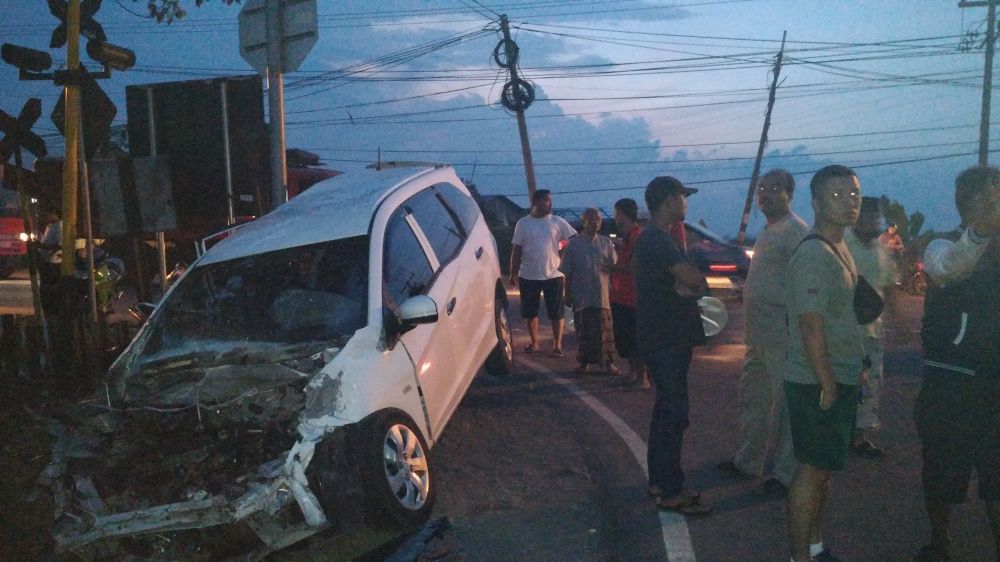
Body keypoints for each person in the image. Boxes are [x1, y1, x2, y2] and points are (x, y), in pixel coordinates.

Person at [912, 166, 1000, 562]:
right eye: (984, 196)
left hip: (995, 385)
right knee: (941, 473)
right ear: (963, 201)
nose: (991, 204)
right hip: (951, 383)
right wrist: (980, 232)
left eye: (995, 196)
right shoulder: (940, 244)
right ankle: (939, 543)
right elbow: (947, 268)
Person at [784, 165, 865, 562]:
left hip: (839, 372)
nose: (849, 202)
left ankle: (815, 546)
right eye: (837, 196)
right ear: (815, 203)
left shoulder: (839, 245)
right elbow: (810, 324)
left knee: (824, 470)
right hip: (816, 379)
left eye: (853, 194)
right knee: (812, 470)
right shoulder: (814, 252)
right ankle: (802, 556)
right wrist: (828, 382)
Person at [717, 169, 808, 496]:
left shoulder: (797, 232)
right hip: (758, 335)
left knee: (784, 408)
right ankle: (748, 461)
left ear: (789, 194)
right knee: (754, 400)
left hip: (783, 335)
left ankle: (786, 475)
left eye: (773, 189)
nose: (765, 195)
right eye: (761, 190)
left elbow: (804, 285)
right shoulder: (769, 230)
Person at [635, 176, 710, 515]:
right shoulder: (657, 239)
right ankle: (671, 491)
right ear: (669, 201)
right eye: (683, 197)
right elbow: (695, 280)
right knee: (674, 416)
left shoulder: (653, 239)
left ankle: (659, 482)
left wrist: (688, 287)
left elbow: (686, 284)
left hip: (660, 337)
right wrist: (694, 284)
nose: (686, 203)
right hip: (667, 340)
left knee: (665, 411)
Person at [844, 196, 897, 458]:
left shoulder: (880, 248)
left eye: (876, 215)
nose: (873, 220)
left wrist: (898, 319)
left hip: (874, 331)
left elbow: (888, 285)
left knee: (869, 384)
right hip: (846, 331)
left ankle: (860, 437)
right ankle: (838, 434)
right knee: (844, 382)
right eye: (867, 215)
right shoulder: (842, 244)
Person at [510, 189, 577, 357]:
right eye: (547, 200)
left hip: (553, 274)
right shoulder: (523, 224)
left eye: (550, 200)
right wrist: (512, 272)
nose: (550, 204)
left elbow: (573, 238)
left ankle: (557, 345)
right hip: (528, 274)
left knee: (556, 312)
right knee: (530, 312)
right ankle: (534, 343)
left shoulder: (557, 222)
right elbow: (516, 249)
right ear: (536, 203)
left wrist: (562, 254)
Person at [560, 208, 618, 374]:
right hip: (582, 295)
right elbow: (568, 272)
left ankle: (608, 363)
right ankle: (583, 363)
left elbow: (614, 266)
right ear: (584, 222)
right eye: (592, 219)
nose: (596, 222)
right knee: (584, 330)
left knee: (605, 330)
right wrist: (567, 293)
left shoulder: (606, 243)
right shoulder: (574, 245)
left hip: (602, 295)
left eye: (598, 219)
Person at [609, 198, 648, 388]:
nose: (616, 219)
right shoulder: (630, 236)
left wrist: (611, 267)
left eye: (617, 214)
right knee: (627, 340)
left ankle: (642, 378)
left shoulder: (638, 235)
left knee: (635, 340)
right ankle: (633, 373)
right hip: (623, 296)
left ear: (625, 214)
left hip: (632, 298)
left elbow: (635, 268)